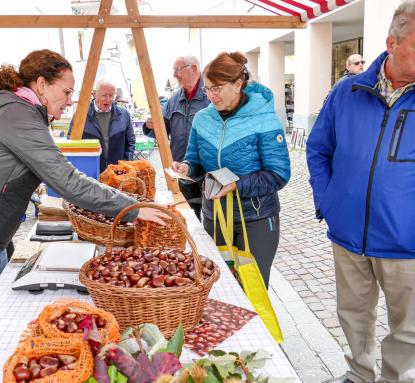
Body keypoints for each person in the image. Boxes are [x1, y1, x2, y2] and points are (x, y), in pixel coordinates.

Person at [0, 49, 168, 348]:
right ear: (41, 84)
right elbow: (68, 181)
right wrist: (132, 208)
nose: (69, 101)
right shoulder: (18, 115)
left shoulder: (20, 111)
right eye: (66, 91)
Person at [307, 2, 415, 382]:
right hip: (348, 233)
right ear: (392, 43)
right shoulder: (347, 92)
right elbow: (318, 149)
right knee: (353, 315)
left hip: (408, 243)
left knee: (410, 330)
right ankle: (359, 375)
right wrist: (328, 202)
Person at [171, 52, 290, 288]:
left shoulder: (264, 119)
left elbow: (278, 174)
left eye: (217, 88)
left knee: (252, 287)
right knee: (217, 284)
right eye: (207, 89)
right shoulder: (203, 118)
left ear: (237, 85)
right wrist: (185, 167)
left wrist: (236, 185)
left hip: (255, 218)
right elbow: (194, 159)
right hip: (214, 214)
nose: (211, 96)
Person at [143, 55, 210, 219]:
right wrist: (151, 126)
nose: (174, 75)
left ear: (193, 68)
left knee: (211, 218)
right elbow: (163, 129)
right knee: (188, 215)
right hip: (182, 169)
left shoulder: (210, 95)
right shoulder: (174, 99)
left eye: (177, 70)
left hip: (208, 170)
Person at [68, 78, 135, 173]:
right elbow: (72, 142)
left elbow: (130, 142)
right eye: (104, 95)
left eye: (111, 95)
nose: (107, 99)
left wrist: (125, 163)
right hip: (90, 172)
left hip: (117, 172)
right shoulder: (81, 115)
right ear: (94, 94)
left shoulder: (124, 115)